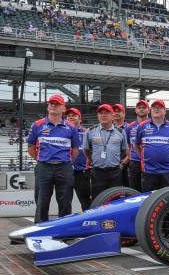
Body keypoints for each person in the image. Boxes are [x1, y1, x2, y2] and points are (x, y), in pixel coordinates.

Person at [26, 95, 80, 223]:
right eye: (51, 103)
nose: (53, 106)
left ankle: (64, 231)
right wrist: (43, 160)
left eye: (57, 104)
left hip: (64, 167)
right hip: (44, 167)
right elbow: (31, 148)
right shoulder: (37, 125)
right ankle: (40, 230)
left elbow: (75, 150)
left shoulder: (71, 127)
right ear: (48, 106)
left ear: (63, 108)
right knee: (41, 201)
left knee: (65, 201)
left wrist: (65, 161)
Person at [83, 104, 129, 199]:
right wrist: (94, 160)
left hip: (115, 173)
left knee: (115, 201)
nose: (103, 115)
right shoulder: (90, 131)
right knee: (97, 200)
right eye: (100, 113)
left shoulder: (120, 131)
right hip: (97, 172)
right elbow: (86, 150)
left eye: (106, 113)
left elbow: (124, 151)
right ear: (98, 116)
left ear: (112, 115)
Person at [134, 99, 169, 192]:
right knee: (149, 199)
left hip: (167, 171)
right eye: (154, 107)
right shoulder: (142, 126)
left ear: (165, 111)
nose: (156, 109)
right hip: (148, 172)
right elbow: (136, 145)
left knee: (166, 199)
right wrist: (143, 157)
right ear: (150, 111)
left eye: (159, 107)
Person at [65, 107, 91, 210]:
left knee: (85, 200)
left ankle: (89, 222)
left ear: (80, 119)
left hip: (82, 172)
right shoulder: (62, 132)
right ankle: (65, 222)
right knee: (65, 200)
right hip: (65, 171)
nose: (70, 117)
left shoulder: (86, 132)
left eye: (73, 116)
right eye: (68, 116)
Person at [124, 100, 149, 191]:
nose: (141, 109)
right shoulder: (129, 127)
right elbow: (126, 145)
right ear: (136, 110)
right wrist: (132, 157)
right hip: (135, 163)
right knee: (134, 190)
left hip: (148, 163)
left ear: (148, 110)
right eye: (139, 108)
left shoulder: (152, 125)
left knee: (148, 190)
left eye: (144, 107)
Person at [112, 103, 130, 187]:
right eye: (114, 111)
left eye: (119, 111)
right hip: (111, 164)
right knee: (113, 190)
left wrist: (123, 163)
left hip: (127, 163)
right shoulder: (107, 127)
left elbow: (133, 147)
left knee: (128, 188)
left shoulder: (130, 128)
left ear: (124, 114)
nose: (116, 113)